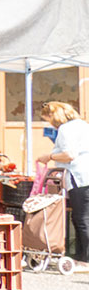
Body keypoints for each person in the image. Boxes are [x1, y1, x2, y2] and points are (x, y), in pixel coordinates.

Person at [35, 101, 89, 269]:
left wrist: (50, 156)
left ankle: (85, 259)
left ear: (54, 115)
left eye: (48, 119)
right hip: (85, 175)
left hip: (79, 176)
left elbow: (69, 154)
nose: (50, 124)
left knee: (81, 219)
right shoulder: (82, 125)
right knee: (81, 217)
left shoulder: (65, 129)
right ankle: (80, 256)